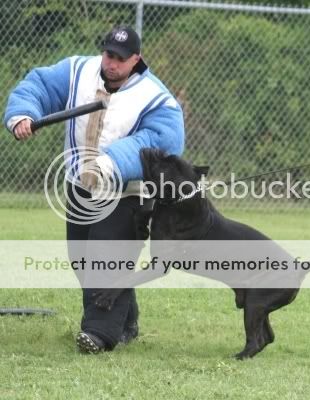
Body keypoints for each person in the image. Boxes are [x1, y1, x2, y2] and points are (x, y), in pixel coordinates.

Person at [4, 25, 185, 353]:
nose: (111, 63)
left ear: (136, 60)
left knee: (105, 260)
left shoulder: (157, 99)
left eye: (120, 58)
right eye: (108, 54)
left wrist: (111, 162)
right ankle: (126, 319)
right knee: (81, 258)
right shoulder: (77, 70)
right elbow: (39, 85)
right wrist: (22, 113)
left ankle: (99, 334)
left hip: (126, 194)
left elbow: (161, 141)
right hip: (80, 186)